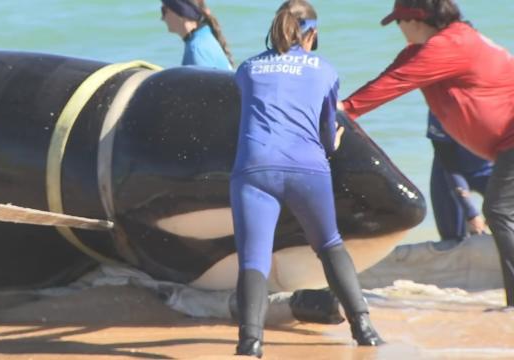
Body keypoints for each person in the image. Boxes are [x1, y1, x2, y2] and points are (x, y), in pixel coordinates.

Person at [231, 1, 384, 356]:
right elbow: (327, 135)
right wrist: (334, 142)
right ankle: (365, 331)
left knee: (253, 260)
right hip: (307, 169)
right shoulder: (325, 71)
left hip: (254, 170)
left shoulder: (248, 68)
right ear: (312, 32)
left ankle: (250, 345)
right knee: (329, 244)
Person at [339, 0, 514, 306]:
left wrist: (343, 112)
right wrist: (339, 110)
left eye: (399, 22)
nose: (399, 29)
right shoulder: (436, 46)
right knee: (501, 211)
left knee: (498, 210)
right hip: (504, 146)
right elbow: (388, 78)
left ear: (416, 20)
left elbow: (393, 85)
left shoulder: (447, 46)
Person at [427, 111, 492, 241]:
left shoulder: (503, 101)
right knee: (452, 240)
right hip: (448, 172)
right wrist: (471, 213)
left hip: (491, 169)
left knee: (504, 223)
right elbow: (448, 162)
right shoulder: (440, 104)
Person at [160, 0, 234, 70]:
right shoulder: (206, 36)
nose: (162, 18)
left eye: (164, 11)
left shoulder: (195, 51)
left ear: (182, 12)